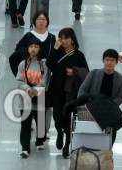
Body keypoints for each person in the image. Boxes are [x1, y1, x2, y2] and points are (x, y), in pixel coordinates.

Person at [47, 28, 89, 158]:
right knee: (57, 117)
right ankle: (60, 133)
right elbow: (49, 64)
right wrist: (54, 48)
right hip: (56, 89)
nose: (63, 41)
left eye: (66, 38)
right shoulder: (58, 52)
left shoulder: (79, 55)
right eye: (61, 38)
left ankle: (67, 145)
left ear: (72, 39)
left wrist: (74, 72)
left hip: (71, 92)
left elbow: (86, 72)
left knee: (68, 119)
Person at [77, 49, 122, 144]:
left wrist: (108, 105)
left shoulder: (121, 80)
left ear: (116, 62)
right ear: (102, 60)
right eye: (107, 60)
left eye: (112, 60)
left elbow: (120, 98)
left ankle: (107, 152)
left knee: (109, 138)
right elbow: (82, 89)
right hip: (92, 109)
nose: (109, 62)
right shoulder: (94, 73)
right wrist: (84, 103)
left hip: (109, 111)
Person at [14, 38, 51, 157]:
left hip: (39, 98)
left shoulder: (45, 65)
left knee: (40, 122)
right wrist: (28, 89)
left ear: (40, 48)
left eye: (35, 47)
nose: (33, 49)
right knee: (25, 124)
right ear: (28, 49)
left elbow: (45, 81)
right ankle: (25, 148)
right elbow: (19, 80)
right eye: (31, 47)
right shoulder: (23, 64)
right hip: (25, 99)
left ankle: (40, 141)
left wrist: (34, 91)